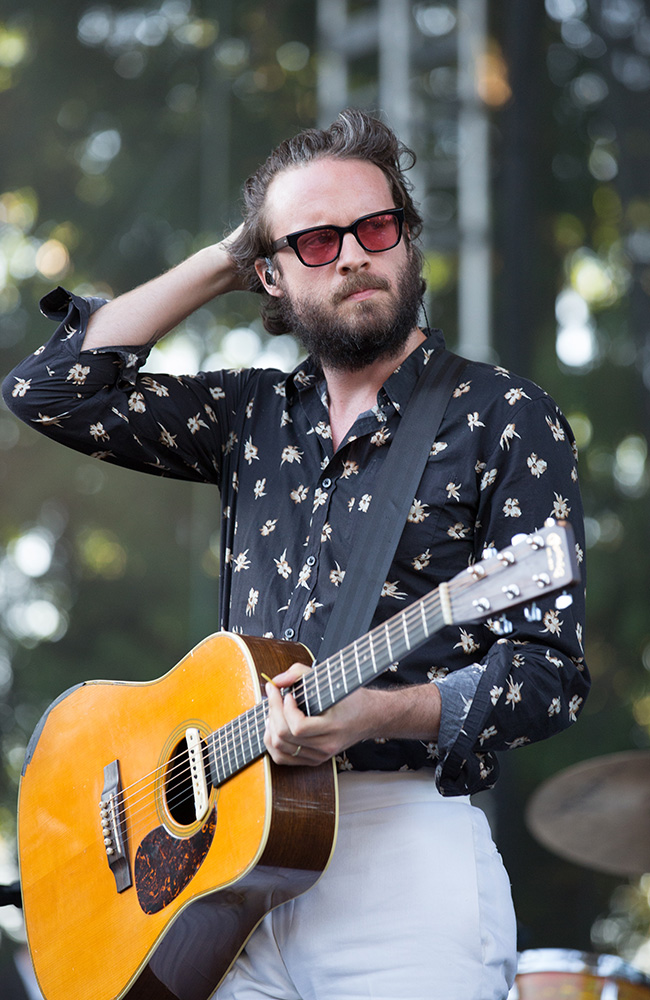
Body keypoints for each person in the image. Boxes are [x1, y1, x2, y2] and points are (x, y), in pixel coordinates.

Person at [3, 108, 589, 1000]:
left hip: (401, 858)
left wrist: (376, 714)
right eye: (315, 241)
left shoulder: (504, 414)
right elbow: (52, 390)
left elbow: (548, 674)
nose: (354, 253)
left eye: (375, 227)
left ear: (406, 240)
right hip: (220, 875)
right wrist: (226, 259)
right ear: (269, 275)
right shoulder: (254, 416)